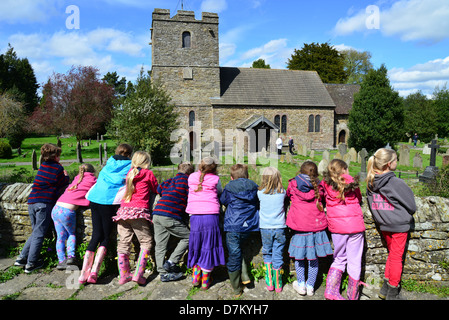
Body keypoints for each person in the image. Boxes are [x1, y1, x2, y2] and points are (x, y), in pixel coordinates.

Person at [79, 143, 133, 284]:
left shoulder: (108, 163)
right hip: (108, 202)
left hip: (95, 199)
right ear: (129, 154)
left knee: (96, 235)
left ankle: (83, 274)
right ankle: (94, 273)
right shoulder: (130, 167)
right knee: (105, 237)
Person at [366, 148, 416, 300]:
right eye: (395, 160)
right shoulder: (396, 182)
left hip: (384, 224)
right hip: (399, 225)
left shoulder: (370, 182)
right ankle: (393, 293)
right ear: (389, 164)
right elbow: (412, 206)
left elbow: (371, 205)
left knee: (392, 255)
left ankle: (384, 289)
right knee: (396, 258)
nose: (397, 162)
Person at [15, 143, 69, 273]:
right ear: (55, 156)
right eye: (59, 156)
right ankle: (31, 264)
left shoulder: (42, 166)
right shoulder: (57, 169)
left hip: (32, 202)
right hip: (44, 204)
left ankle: (22, 258)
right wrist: (66, 175)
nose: (59, 158)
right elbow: (63, 184)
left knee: (35, 232)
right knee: (39, 234)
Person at [320, 159, 366, 300]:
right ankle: (353, 295)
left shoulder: (325, 184)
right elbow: (358, 198)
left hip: (337, 227)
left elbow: (320, 199)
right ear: (344, 170)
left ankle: (331, 291)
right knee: (355, 261)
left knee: (339, 258)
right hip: (355, 226)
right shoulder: (352, 183)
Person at [286, 161, 333, 296]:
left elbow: (288, 195)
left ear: (300, 172)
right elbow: (323, 197)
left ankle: (301, 284)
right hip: (316, 228)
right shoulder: (319, 186)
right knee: (314, 259)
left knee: (299, 258)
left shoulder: (293, 184)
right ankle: (310, 286)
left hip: (300, 229)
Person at [113, 151, 158, 285]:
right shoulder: (148, 173)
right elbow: (156, 189)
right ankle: (138, 274)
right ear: (146, 162)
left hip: (123, 211)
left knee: (124, 242)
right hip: (138, 212)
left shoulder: (130, 173)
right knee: (146, 242)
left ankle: (124, 275)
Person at [186, 157, 226, 290]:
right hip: (211, 215)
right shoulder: (215, 179)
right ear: (214, 169)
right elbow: (220, 192)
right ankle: (205, 281)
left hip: (195, 216)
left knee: (197, 244)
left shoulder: (191, 177)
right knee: (209, 245)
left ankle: (195, 277)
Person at [220, 164, 259, 297]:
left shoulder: (229, 188)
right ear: (247, 176)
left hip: (233, 226)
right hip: (248, 226)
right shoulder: (254, 187)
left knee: (234, 255)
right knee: (239, 249)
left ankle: (236, 289)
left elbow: (223, 200)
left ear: (231, 177)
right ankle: (245, 275)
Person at [152, 162, 194, 282]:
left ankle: (162, 273)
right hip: (170, 215)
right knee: (189, 237)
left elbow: (158, 189)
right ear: (190, 173)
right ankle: (171, 262)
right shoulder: (188, 182)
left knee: (160, 245)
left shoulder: (169, 180)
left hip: (157, 213)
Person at [51, 163, 97, 270]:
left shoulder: (77, 179)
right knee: (71, 234)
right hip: (67, 211)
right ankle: (71, 257)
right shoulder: (92, 180)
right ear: (92, 172)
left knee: (60, 237)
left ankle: (61, 261)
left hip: (56, 208)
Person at [257, 166, 287, 293]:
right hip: (279, 227)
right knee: (278, 253)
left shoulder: (260, 193)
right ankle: (278, 283)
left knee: (267, 252)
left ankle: (269, 282)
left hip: (265, 227)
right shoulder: (283, 192)